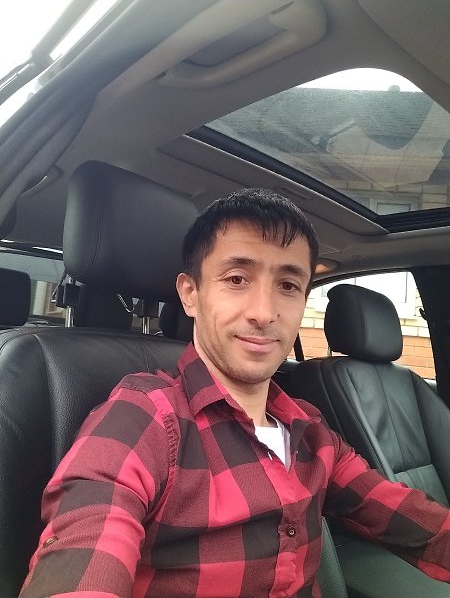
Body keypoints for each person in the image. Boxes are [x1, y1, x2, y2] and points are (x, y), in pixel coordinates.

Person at [20, 189, 450, 598]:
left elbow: (408, 518)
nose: (264, 313)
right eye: (237, 278)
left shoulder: (311, 431)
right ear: (191, 294)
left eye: (288, 285)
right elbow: (85, 548)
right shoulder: (144, 418)